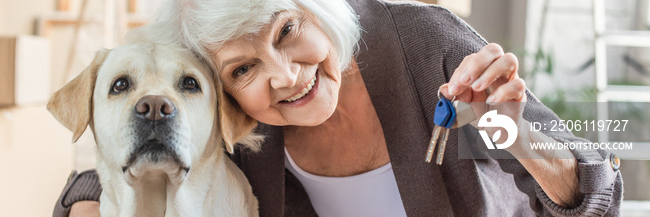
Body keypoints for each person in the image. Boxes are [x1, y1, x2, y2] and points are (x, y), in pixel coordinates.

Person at [54, 0, 623, 216]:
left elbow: (602, 196)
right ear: (223, 95)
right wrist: (84, 203)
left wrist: (516, 137)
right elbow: (137, 156)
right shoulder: (249, 132)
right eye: (242, 69)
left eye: (288, 30)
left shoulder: (426, 49)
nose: (283, 76)